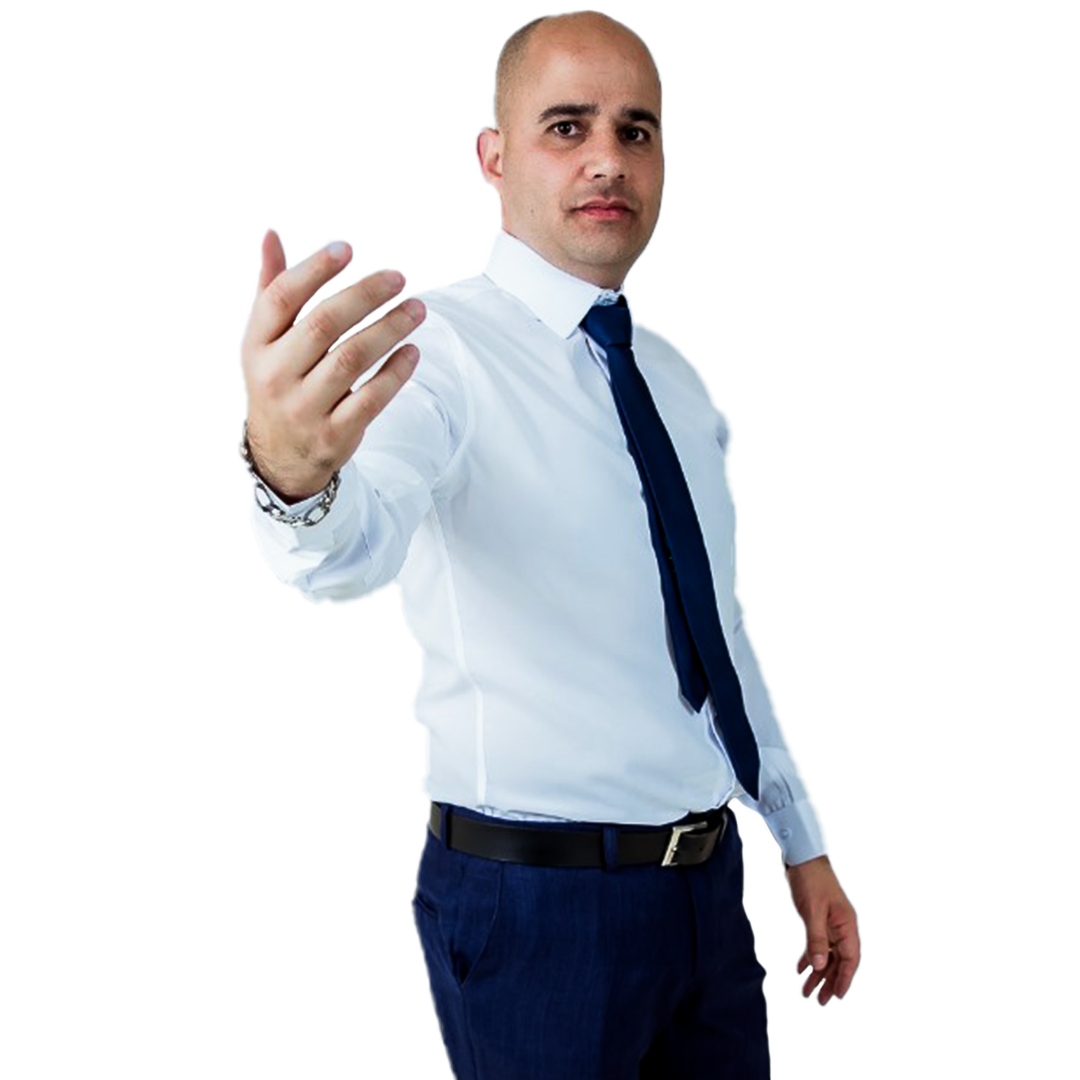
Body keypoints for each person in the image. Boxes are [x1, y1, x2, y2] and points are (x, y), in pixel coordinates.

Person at [238, 9, 861, 1078]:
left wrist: (799, 842)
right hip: (537, 915)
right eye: (567, 126)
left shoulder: (671, 382)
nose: (607, 158)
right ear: (495, 158)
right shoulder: (435, 356)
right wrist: (292, 478)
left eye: (636, 130)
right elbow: (348, 548)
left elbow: (717, 636)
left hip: (706, 899)